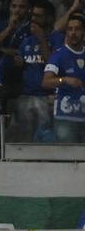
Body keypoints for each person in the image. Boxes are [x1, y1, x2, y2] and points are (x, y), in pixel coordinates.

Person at [41, 13, 85, 143]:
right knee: (67, 155)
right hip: (65, 117)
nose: (73, 33)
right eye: (70, 29)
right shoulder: (58, 55)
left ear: (83, 31)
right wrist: (64, 80)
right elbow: (45, 82)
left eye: (77, 29)